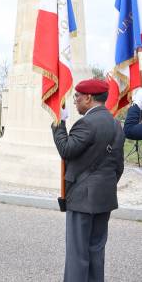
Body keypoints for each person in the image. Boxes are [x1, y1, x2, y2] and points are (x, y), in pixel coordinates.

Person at [51, 79, 124, 282]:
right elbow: (119, 166)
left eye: (77, 97)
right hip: (104, 198)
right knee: (96, 253)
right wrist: (103, 185)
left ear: (88, 98)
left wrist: (59, 124)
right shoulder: (116, 123)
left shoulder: (86, 123)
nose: (75, 101)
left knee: (77, 256)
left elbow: (66, 150)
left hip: (82, 199)